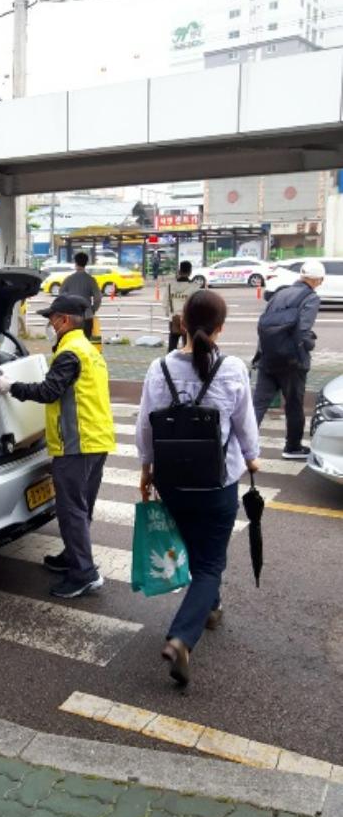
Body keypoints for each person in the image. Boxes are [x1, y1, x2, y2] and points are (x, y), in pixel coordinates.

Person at [136, 289, 260, 686]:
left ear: (182, 325)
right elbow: (245, 424)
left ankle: (211, 605)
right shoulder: (233, 368)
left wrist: (146, 466)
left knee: (195, 546)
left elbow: (145, 425)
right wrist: (252, 456)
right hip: (217, 482)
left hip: (172, 481)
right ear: (220, 328)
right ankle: (181, 639)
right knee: (210, 563)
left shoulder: (159, 368)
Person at [0, 294, 116, 599]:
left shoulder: (70, 352)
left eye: (52, 318)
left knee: (71, 508)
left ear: (65, 320)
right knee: (81, 505)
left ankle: (84, 574)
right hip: (97, 439)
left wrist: (10, 387)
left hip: (77, 443)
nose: (49, 323)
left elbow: (49, 391)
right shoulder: (88, 349)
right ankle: (73, 556)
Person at [252, 258, 324, 460]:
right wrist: (310, 345)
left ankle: (240, 446)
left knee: (258, 405)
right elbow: (303, 331)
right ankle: (292, 447)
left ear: (301, 276)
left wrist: (260, 355)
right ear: (318, 280)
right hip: (292, 362)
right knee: (293, 404)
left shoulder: (279, 293)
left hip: (267, 357)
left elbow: (266, 325)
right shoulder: (311, 297)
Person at [61, 252, 102, 340]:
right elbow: (98, 298)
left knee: (72, 342)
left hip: (71, 318)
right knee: (86, 342)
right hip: (86, 316)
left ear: (75, 263)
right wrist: (92, 309)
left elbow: (61, 295)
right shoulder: (90, 280)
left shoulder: (68, 279)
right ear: (86, 263)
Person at [167, 261, 199, 352]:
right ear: (190, 272)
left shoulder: (170, 286)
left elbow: (165, 303)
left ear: (179, 272)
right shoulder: (194, 287)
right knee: (188, 346)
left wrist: (169, 314)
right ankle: (187, 364)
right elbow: (196, 305)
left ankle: (170, 364)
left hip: (173, 318)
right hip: (188, 319)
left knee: (172, 345)